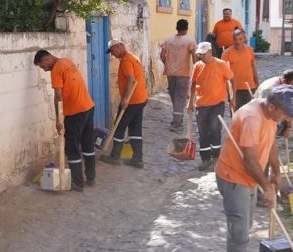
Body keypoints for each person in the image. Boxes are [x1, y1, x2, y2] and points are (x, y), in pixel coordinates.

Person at [214, 85, 293, 252]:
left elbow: (271, 144)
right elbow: (251, 162)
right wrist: (267, 187)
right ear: (272, 106)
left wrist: (276, 172)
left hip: (249, 179)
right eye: (285, 113)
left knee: (243, 227)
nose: (286, 118)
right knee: (240, 231)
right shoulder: (251, 118)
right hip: (234, 177)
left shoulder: (270, 116)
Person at [33, 49, 96, 191]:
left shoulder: (56, 69)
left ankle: (77, 183)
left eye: (43, 67)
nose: (44, 70)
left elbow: (58, 97)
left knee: (71, 148)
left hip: (75, 112)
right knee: (87, 145)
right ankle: (91, 177)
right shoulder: (67, 61)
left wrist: (58, 119)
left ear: (46, 60)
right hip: (88, 107)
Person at [99, 38, 148, 168]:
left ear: (119, 47)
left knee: (119, 127)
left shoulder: (126, 60)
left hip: (131, 101)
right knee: (135, 129)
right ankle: (138, 159)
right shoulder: (133, 57)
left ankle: (115, 156)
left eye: (112, 51)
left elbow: (131, 79)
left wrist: (125, 99)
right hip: (140, 99)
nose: (112, 54)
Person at [188, 42, 234, 172]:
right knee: (203, 133)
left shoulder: (221, 64)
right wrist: (190, 102)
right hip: (201, 104)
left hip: (217, 103)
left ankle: (216, 157)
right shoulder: (197, 66)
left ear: (210, 52)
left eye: (203, 54)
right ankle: (205, 159)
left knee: (214, 129)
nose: (201, 56)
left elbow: (231, 79)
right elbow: (193, 84)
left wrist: (232, 98)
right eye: (200, 54)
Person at [159, 19, 195, 132]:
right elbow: (194, 55)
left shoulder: (168, 40)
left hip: (170, 73)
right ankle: (176, 123)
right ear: (186, 28)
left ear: (177, 27)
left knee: (175, 96)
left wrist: (167, 64)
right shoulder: (189, 41)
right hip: (183, 73)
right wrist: (196, 68)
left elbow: (162, 55)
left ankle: (177, 118)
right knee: (180, 98)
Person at [257, 69, 293, 139]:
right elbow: (266, 113)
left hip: (277, 110)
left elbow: (290, 108)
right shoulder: (268, 90)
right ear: (284, 81)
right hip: (263, 115)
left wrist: (288, 127)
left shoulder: (289, 88)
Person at [223, 28, 258, 111]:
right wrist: (228, 93)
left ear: (244, 39)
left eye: (240, 39)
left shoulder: (250, 50)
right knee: (236, 115)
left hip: (250, 87)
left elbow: (253, 67)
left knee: (250, 114)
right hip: (235, 90)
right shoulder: (227, 53)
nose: (237, 42)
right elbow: (223, 74)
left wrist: (257, 83)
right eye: (235, 39)